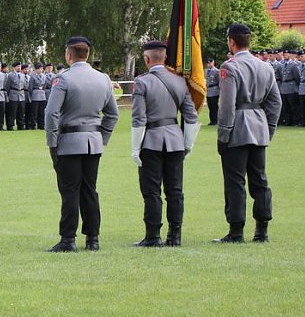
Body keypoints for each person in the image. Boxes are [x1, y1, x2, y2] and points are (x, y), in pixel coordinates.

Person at [45, 36, 119, 252]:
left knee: (70, 191)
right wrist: (101, 137)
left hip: (69, 142)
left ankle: (68, 239)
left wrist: (52, 142)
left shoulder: (64, 79)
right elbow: (112, 115)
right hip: (93, 143)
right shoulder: (103, 79)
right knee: (89, 191)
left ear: (69, 55)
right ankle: (92, 239)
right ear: (87, 54)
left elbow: (51, 113)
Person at [214, 23, 282, 243]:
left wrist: (223, 135)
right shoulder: (265, 67)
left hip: (239, 127)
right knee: (259, 180)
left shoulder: (230, 67)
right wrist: (268, 128)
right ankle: (262, 231)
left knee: (235, 182)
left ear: (231, 41)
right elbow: (275, 102)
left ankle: (236, 231)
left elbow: (226, 106)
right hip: (259, 125)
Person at [130, 41, 200, 247]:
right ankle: (175, 235)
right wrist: (188, 144)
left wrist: (135, 147)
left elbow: (138, 119)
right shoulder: (180, 81)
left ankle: (153, 236)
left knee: (152, 191)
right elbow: (191, 116)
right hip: (175, 141)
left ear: (147, 59)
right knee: (175, 191)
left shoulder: (142, 82)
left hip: (151, 141)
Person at [205, 58, 220, 125]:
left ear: (213, 62)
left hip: (214, 90)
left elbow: (219, 81)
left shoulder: (216, 71)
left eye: (210, 63)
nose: (209, 64)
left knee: (214, 106)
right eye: (208, 63)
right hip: (209, 90)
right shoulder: (206, 71)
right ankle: (212, 120)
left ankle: (216, 120)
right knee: (210, 106)